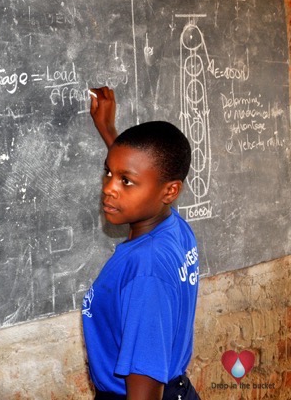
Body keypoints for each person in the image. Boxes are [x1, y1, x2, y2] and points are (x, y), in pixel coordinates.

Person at [81, 87, 201, 400]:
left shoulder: (146, 271)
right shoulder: (173, 228)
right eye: (108, 172)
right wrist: (109, 133)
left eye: (125, 181)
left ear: (170, 191)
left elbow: (144, 391)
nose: (109, 188)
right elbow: (146, 174)